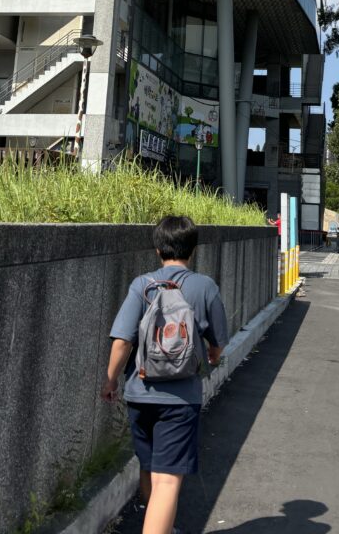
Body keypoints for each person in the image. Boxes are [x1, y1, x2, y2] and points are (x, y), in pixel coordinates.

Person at [101, 215, 229, 534]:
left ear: (158, 249)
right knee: (168, 479)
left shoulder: (142, 285)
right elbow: (217, 345)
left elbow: (122, 340)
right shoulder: (204, 287)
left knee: (150, 468)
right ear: (193, 250)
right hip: (180, 399)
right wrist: (212, 356)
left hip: (139, 393)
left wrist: (111, 379)